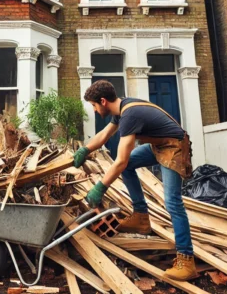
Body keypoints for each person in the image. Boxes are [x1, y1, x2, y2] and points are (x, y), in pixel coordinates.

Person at [73, 80, 197, 281]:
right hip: (159, 145)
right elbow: (104, 135)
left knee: (172, 202)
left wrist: (100, 188)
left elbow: (120, 161)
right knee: (130, 164)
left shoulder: (130, 115)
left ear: (103, 101)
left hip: (174, 147)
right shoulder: (121, 109)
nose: (94, 110)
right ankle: (141, 217)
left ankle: (186, 260)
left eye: (94, 105)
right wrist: (85, 150)